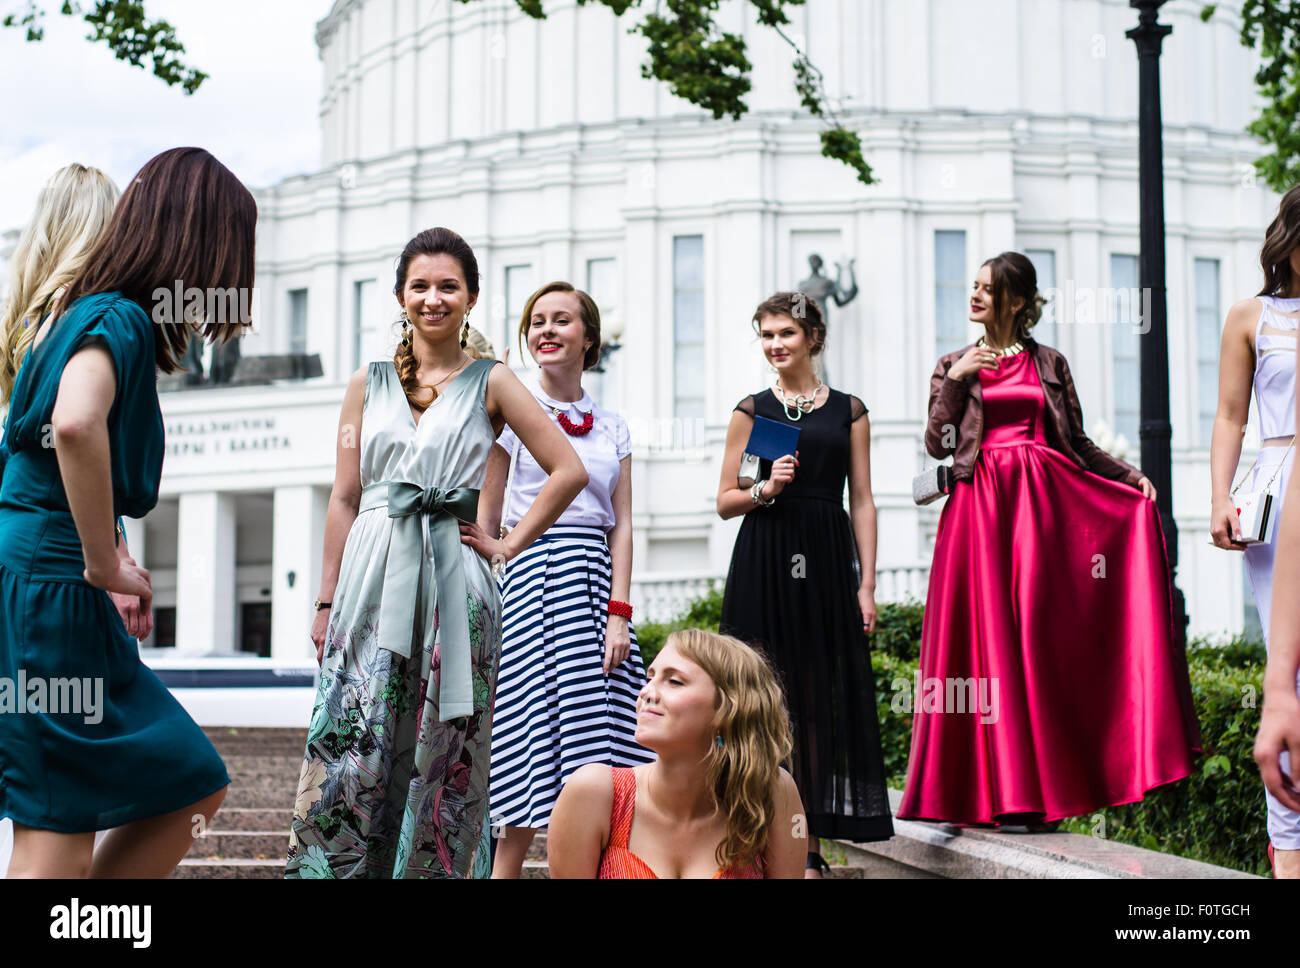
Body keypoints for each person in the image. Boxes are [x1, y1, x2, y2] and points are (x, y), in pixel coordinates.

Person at [286, 228, 588, 879]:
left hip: (456, 583)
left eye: (448, 285)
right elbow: (344, 497)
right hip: (370, 577)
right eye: (420, 285)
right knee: (354, 738)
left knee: (444, 749)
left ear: (471, 297)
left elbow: (568, 469)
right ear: (401, 294)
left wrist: (507, 542)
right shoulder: (364, 386)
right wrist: (325, 599)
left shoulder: (494, 382)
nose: (433, 297)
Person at [0, 146, 254, 876]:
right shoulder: (119, 317)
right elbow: (76, 425)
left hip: (40, 580)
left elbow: (45, 449)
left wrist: (109, 555)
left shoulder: (71, 314)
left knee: (185, 787)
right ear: (195, 242)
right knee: (57, 824)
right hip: (52, 592)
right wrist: (102, 562)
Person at [898, 251, 1200, 828]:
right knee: (980, 646)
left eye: (989, 289)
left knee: (1035, 642)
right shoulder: (952, 364)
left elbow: (1077, 444)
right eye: (975, 286)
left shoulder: (1051, 363)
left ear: (1017, 301)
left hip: (1043, 512)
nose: (976, 296)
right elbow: (938, 443)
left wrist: (1130, 477)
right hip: (979, 511)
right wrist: (957, 381)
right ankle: (984, 795)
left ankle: (1035, 795)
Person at [716, 291, 893, 877]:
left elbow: (863, 501)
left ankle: (808, 848)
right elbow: (727, 500)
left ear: (813, 336)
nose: (775, 345)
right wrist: (766, 487)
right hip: (766, 557)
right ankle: (752, 841)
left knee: (815, 702)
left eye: (785, 333)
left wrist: (865, 584)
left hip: (824, 559)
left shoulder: (849, 410)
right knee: (758, 702)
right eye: (766, 335)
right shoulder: (753, 410)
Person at [480, 281, 654, 879]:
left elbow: (623, 525)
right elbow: (488, 511)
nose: (546, 330)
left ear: (589, 338)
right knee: (531, 739)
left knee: (607, 737)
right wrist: (496, 562)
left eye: (561, 320)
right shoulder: (509, 411)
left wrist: (618, 612)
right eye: (537, 321)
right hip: (531, 580)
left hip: (594, 583)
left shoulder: (614, 427)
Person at [0, 164, 152, 646]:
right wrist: (111, 557)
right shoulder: (96, 320)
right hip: (53, 558)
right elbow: (76, 434)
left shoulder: (26, 324)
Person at [547, 629, 806, 878]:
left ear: (727, 709)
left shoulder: (770, 793)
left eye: (674, 681)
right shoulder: (594, 793)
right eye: (651, 678)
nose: (646, 693)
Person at [1230, 184, 1300, 878]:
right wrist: (1221, 497)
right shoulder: (1254, 316)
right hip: (1281, 491)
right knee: (1289, 677)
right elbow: (1229, 417)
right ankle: (1289, 851)